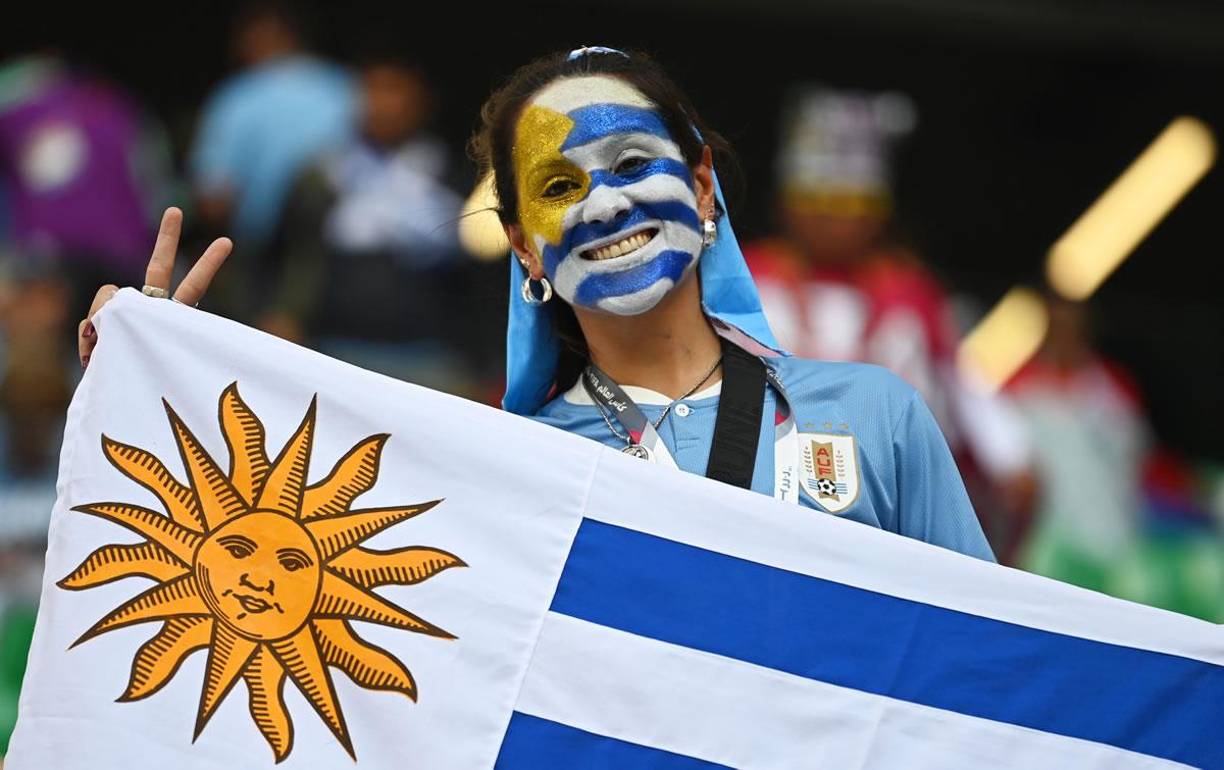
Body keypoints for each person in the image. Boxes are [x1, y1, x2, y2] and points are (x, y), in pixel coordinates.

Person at [78, 47, 993, 561]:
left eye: (635, 164)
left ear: (704, 187)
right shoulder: (500, 469)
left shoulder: (878, 416)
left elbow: (999, 673)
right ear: (524, 246)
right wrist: (154, 395)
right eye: (558, 187)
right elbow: (275, 595)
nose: (603, 203)